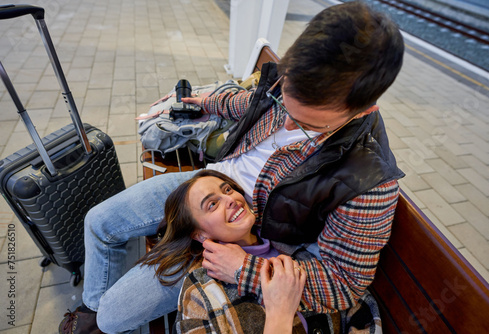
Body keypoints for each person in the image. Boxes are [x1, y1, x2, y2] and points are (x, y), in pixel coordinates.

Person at [59, 2, 405, 333]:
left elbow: (344, 284)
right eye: (284, 102)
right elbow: (254, 102)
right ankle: (89, 315)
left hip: (240, 235)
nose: (286, 124)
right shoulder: (297, 79)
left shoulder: (369, 180)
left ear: (361, 111)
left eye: (305, 126)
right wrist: (208, 102)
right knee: (99, 222)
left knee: (112, 316)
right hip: (207, 183)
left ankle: (96, 320)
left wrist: (245, 269)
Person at [139, 169, 310, 332]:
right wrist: (280, 314)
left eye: (227, 190)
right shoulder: (200, 292)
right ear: (200, 234)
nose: (230, 200)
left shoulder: (293, 236)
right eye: (212, 204)